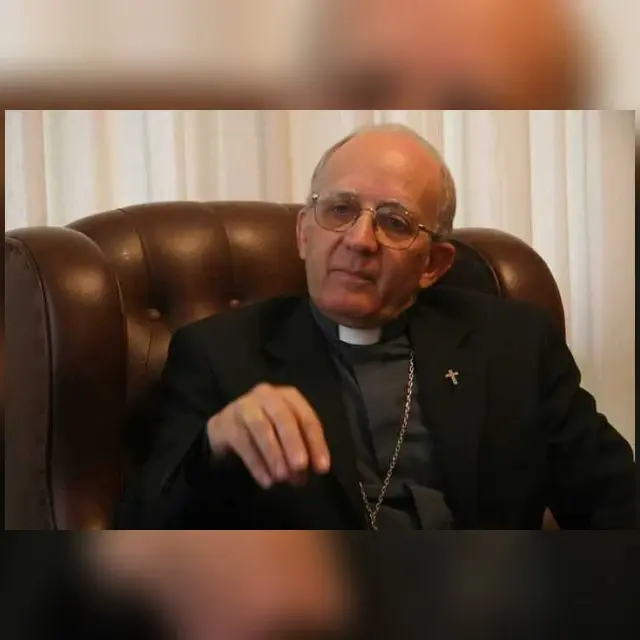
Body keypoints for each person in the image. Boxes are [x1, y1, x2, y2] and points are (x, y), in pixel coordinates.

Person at [117, 124, 635, 530]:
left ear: (433, 264)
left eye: (395, 222)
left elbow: (616, 500)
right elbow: (142, 530)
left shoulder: (514, 343)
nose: (360, 240)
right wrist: (212, 450)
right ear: (303, 234)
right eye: (340, 209)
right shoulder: (218, 353)